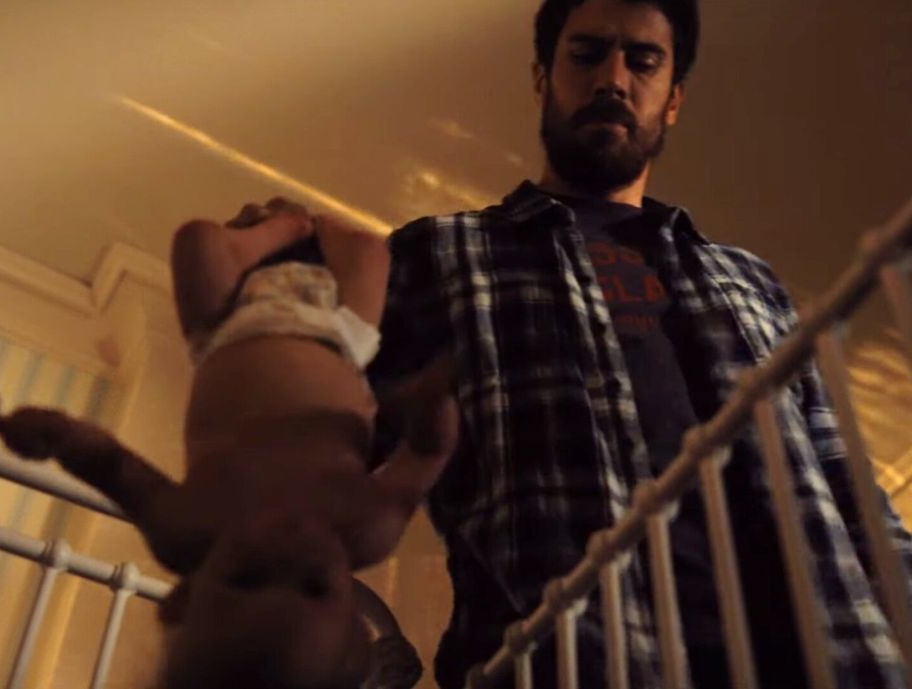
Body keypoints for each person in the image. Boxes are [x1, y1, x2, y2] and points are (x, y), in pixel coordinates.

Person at [366, 0, 912, 687]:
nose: (614, 80)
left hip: (823, 660)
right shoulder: (438, 255)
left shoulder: (749, 279)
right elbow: (330, 470)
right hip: (576, 664)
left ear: (673, 98)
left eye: (643, 61)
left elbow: (847, 486)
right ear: (542, 76)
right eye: (587, 54)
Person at [0, 198, 458, 689]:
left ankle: (284, 227)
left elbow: (108, 464)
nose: (286, 550)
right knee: (368, 252)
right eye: (314, 585)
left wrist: (58, 436)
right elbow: (427, 455)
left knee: (196, 242)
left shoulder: (183, 529)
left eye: (248, 576)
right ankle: (312, 226)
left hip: (224, 333)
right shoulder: (366, 528)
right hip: (341, 339)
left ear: (185, 599)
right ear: (355, 624)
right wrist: (428, 408)